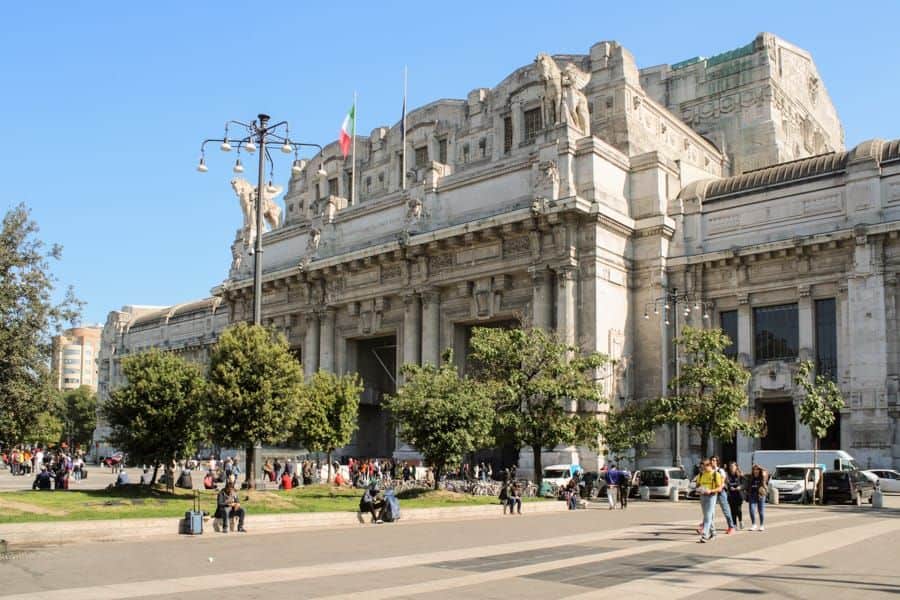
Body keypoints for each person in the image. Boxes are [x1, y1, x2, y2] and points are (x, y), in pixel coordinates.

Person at [696, 459, 723, 543]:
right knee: (707, 516)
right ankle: (713, 532)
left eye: (704, 466)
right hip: (703, 496)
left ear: (710, 465)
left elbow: (720, 488)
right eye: (702, 467)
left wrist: (711, 491)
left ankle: (704, 535)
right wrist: (699, 489)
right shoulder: (701, 474)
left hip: (711, 496)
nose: (703, 468)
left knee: (707, 516)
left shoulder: (716, 474)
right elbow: (698, 485)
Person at [710, 456, 736, 534]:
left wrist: (720, 488)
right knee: (709, 511)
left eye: (714, 460)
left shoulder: (720, 470)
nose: (712, 462)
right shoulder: (709, 470)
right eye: (711, 460)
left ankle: (731, 527)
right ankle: (706, 527)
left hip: (720, 492)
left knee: (726, 510)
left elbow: (723, 481)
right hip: (712, 492)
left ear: (717, 462)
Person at [747, 464, 768, 532]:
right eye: (754, 469)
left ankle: (761, 525)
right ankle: (753, 524)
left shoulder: (762, 476)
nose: (756, 471)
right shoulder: (751, 477)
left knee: (761, 511)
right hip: (752, 495)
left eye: (757, 469)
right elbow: (742, 476)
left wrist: (760, 467)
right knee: (752, 510)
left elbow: (765, 472)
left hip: (761, 495)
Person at [726, 462, 745, 530]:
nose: (732, 468)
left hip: (738, 495)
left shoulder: (740, 475)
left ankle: (740, 521)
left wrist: (740, 487)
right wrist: (729, 487)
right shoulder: (727, 475)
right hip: (731, 495)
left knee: (738, 509)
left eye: (733, 466)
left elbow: (744, 484)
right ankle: (734, 524)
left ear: (736, 467)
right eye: (730, 466)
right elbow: (726, 484)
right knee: (732, 510)